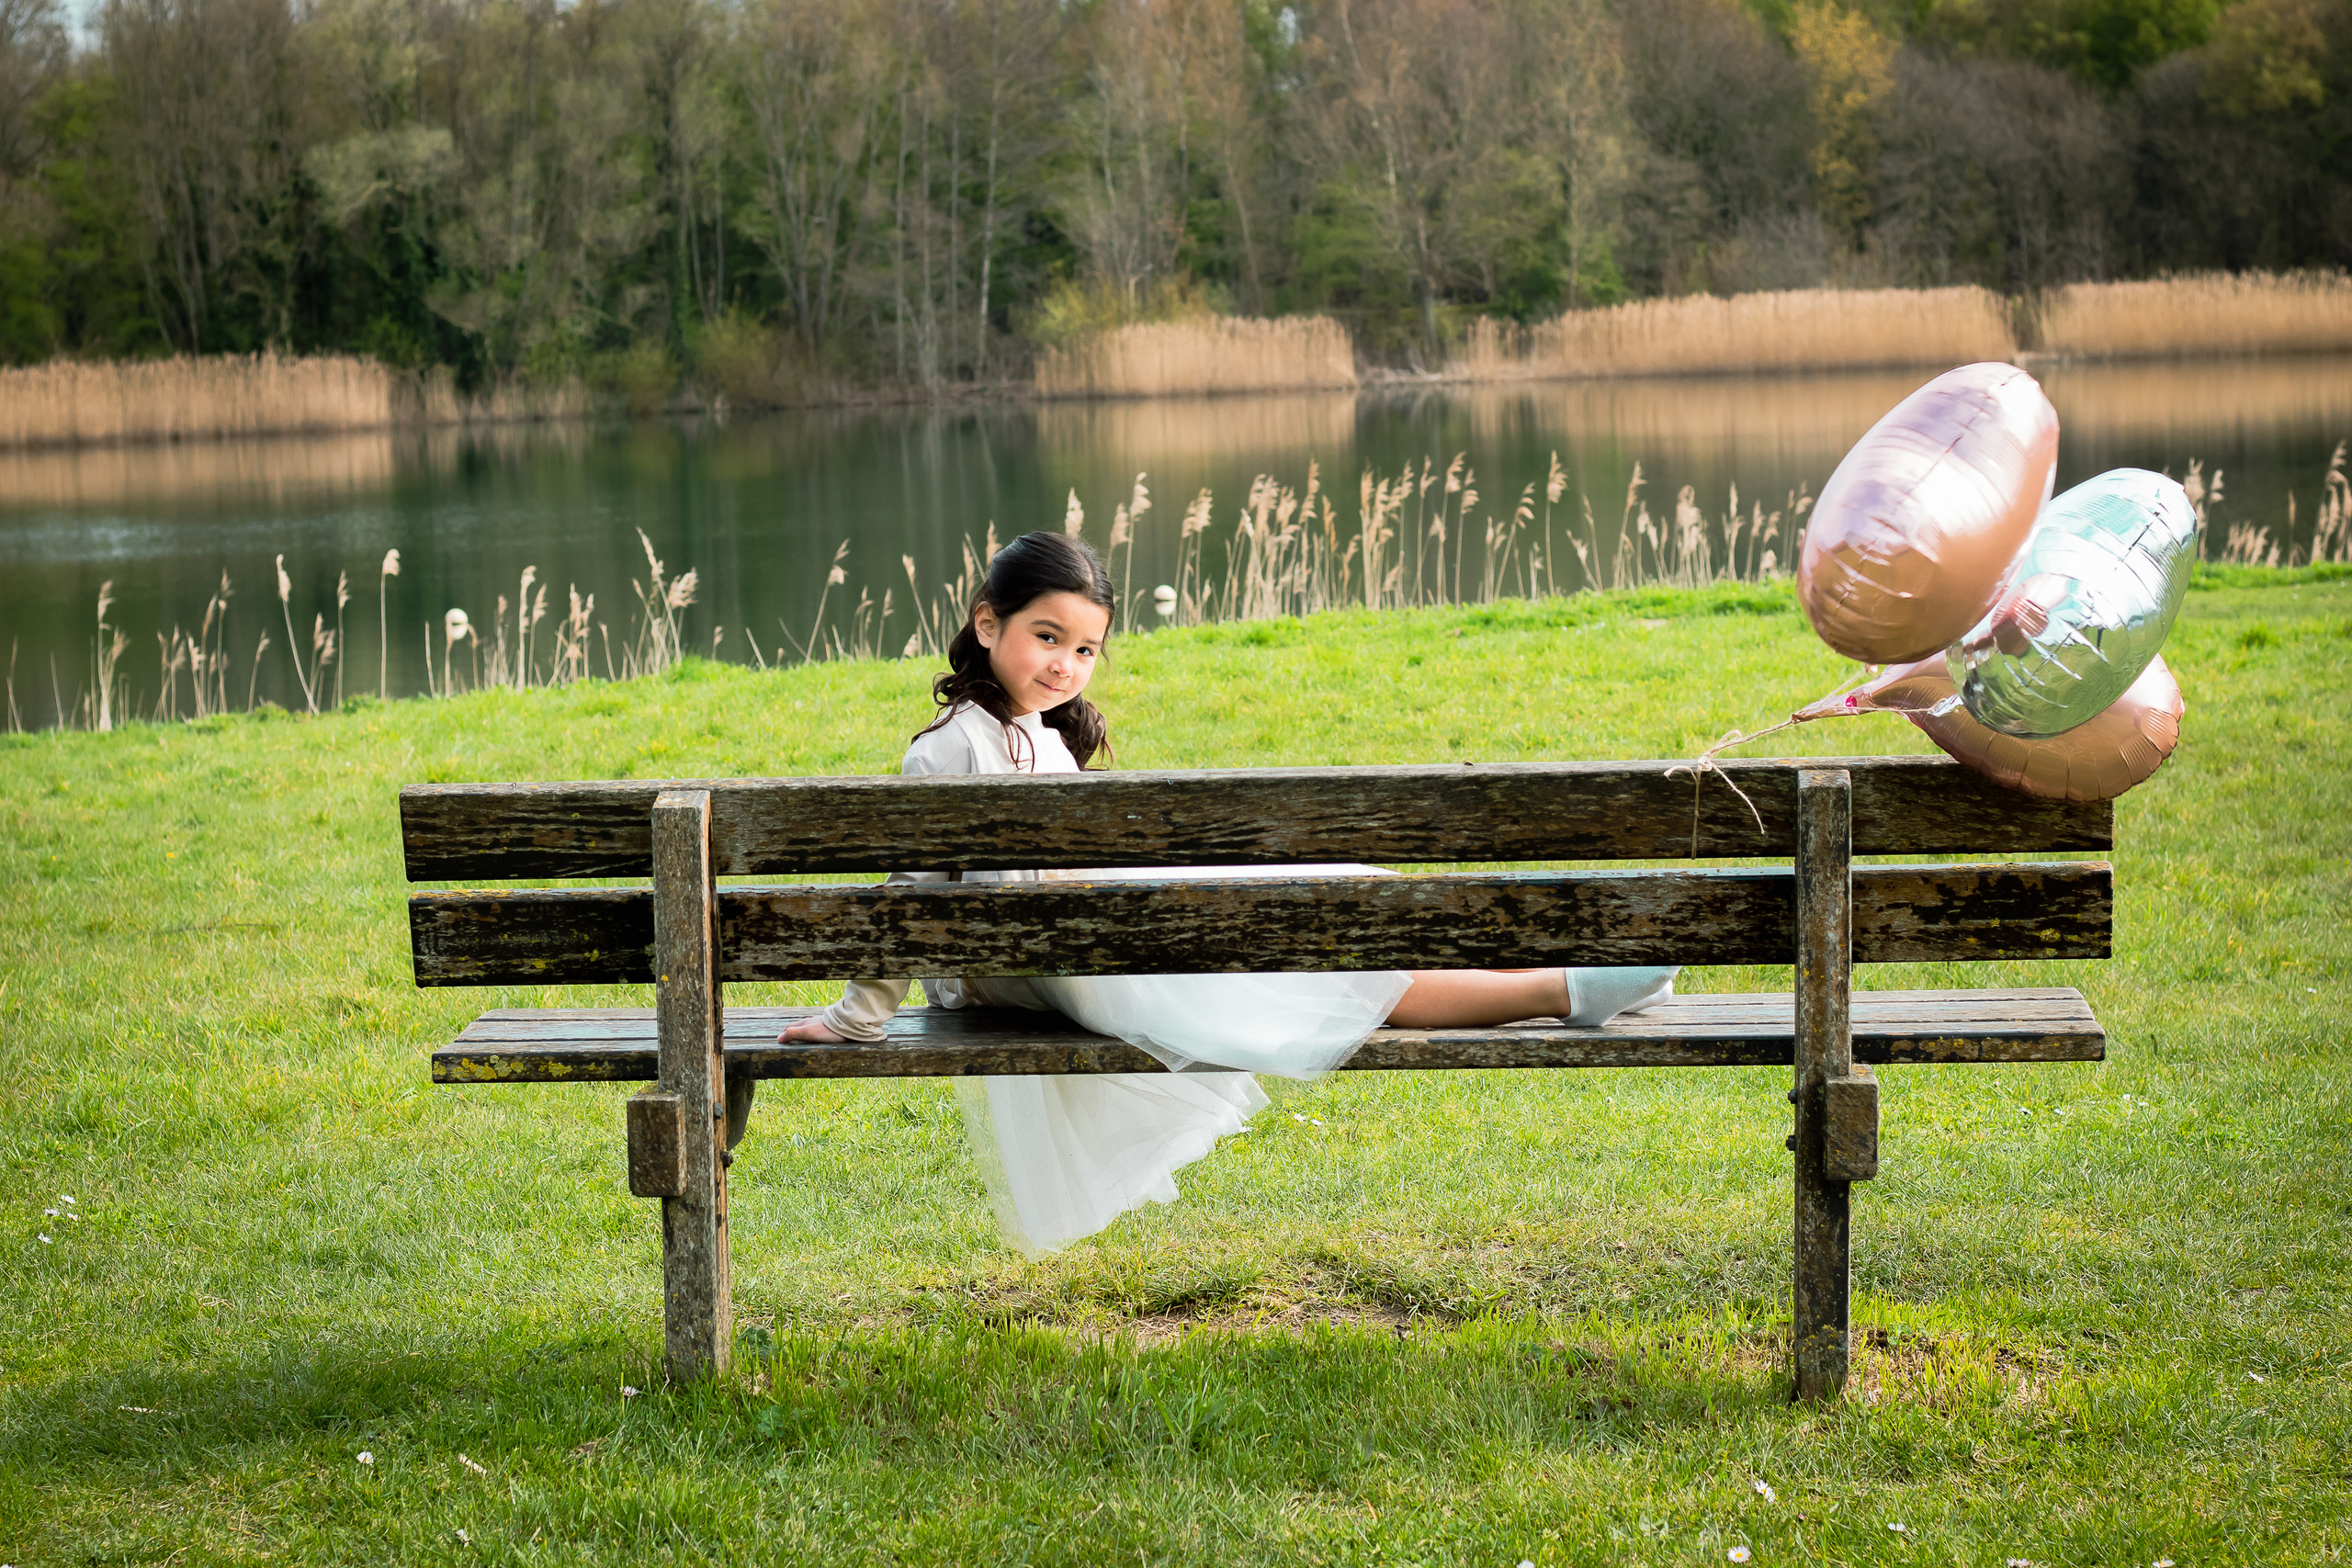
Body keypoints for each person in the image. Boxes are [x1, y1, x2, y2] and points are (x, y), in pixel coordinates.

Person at [779, 531, 1674, 1253]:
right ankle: (1564, 988)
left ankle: (1573, 967)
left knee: (1331, 900)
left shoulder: (1038, 738)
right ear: (988, 625)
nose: (1065, 665)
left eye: (1085, 649)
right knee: (1327, 969)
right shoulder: (950, 747)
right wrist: (860, 1013)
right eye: (1046, 637)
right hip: (1059, 963)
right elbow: (910, 895)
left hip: (1086, 941)